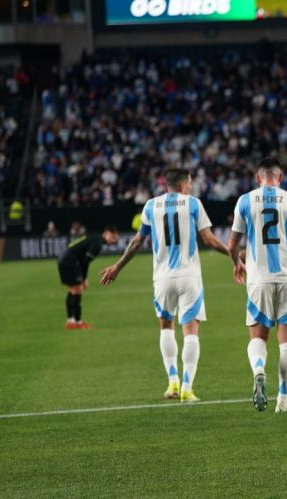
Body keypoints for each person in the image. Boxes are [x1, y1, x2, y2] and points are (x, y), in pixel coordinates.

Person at [99, 168, 230, 402]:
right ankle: (187, 388)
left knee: (166, 327)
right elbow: (209, 240)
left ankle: (172, 382)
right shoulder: (193, 203)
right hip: (189, 276)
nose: (191, 186)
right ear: (183, 185)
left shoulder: (151, 205)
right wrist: (234, 254)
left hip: (162, 278)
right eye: (190, 183)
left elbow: (137, 241)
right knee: (191, 331)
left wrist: (117, 267)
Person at [228, 158, 287, 412]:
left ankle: (259, 370)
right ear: (280, 177)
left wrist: (237, 263)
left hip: (258, 279)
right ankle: (283, 400)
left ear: (258, 178)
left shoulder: (245, 200)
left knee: (258, 336)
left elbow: (232, 245)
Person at [59, 225, 119, 329]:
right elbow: (86, 262)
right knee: (77, 290)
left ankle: (70, 321)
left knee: (72, 290)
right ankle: (78, 322)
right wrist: (84, 279)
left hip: (64, 259)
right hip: (70, 261)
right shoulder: (97, 243)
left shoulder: (95, 237)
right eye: (112, 237)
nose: (113, 240)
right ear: (106, 233)